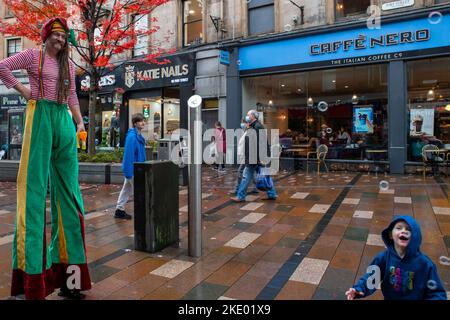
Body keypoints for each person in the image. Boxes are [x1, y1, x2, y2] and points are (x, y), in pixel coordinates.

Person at [0, 17, 91, 299]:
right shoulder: (33, 55)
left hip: (63, 118)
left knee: (71, 195)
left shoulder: (66, 63)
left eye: (64, 37)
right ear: (46, 36)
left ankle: (70, 278)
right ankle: (31, 280)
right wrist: (23, 89)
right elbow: (2, 67)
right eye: (56, 36)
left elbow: (73, 95)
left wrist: (79, 124)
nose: (60, 40)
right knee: (33, 194)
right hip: (39, 116)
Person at [346, 215, 447, 300]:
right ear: (390, 234)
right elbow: (372, 278)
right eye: (399, 228)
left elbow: (437, 293)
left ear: (415, 236)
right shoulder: (384, 258)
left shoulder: (425, 264)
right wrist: (359, 289)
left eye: (408, 229)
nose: (404, 231)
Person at [231, 110, 277, 202]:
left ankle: (240, 196)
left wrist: (261, 158)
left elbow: (262, 143)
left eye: (248, 115)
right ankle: (272, 194)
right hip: (254, 157)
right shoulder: (253, 126)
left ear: (253, 116)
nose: (246, 116)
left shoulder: (258, 126)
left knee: (246, 176)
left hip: (256, 158)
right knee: (262, 176)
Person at [115, 113, 146, 220]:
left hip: (136, 169)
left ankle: (119, 210)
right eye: (141, 121)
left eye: (143, 120)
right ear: (135, 123)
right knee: (140, 192)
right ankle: (142, 213)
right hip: (133, 170)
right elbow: (128, 155)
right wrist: (129, 173)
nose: (143, 123)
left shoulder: (137, 136)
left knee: (126, 190)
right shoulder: (132, 137)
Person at [229, 119, 258, 196]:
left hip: (246, 157)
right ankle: (256, 187)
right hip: (246, 156)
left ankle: (238, 189)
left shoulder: (249, 132)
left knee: (240, 172)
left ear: (247, 124)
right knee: (252, 172)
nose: (242, 124)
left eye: (243, 123)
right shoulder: (245, 132)